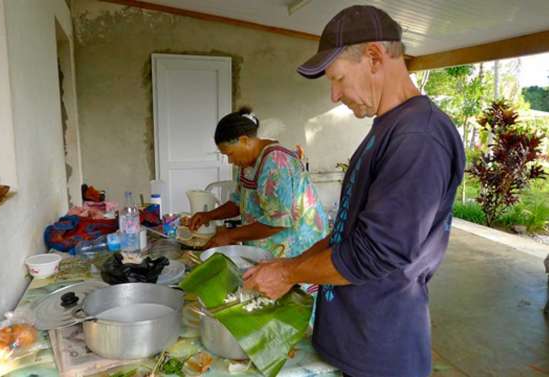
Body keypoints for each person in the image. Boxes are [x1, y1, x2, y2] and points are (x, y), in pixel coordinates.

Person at [243, 5, 465, 377]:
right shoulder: (389, 127)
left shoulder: (419, 137)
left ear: (375, 57)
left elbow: (374, 254)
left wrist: (289, 274)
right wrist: (286, 266)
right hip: (354, 342)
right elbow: (349, 233)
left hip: (381, 353)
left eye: (338, 79)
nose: (333, 95)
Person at [187, 106, 328, 258]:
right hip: (267, 247)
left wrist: (230, 235)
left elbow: (278, 223)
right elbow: (238, 203)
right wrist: (209, 215)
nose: (230, 161)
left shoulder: (275, 163)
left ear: (244, 141)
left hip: (298, 248)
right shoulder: (247, 164)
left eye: (230, 154)